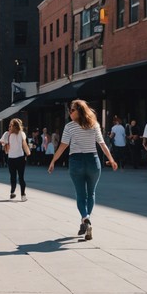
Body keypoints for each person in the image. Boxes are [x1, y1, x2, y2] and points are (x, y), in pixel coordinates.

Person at [48, 100, 118, 241]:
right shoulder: (94, 124)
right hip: (93, 161)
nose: (70, 112)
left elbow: (63, 146)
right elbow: (102, 144)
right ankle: (86, 221)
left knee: (81, 195)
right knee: (91, 193)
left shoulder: (69, 127)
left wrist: (53, 160)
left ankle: (85, 220)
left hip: (76, 162)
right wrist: (111, 159)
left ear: (79, 111)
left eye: (72, 110)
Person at [0, 118, 31, 200]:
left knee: (13, 176)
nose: (9, 127)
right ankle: (23, 195)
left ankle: (12, 192)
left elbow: (5, 147)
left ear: (14, 126)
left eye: (11, 125)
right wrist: (28, 153)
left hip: (11, 158)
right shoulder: (21, 133)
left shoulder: (7, 134)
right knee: (21, 177)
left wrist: (6, 143)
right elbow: (24, 145)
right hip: (20, 158)